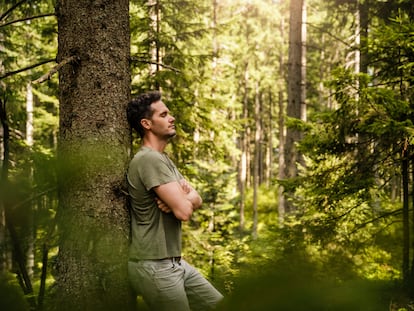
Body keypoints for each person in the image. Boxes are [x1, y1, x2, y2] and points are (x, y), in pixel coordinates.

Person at [126, 91, 223, 311]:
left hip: (173, 263)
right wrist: (180, 200)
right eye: (164, 114)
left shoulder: (162, 159)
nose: (172, 118)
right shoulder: (149, 160)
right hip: (154, 266)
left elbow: (195, 198)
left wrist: (183, 197)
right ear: (146, 123)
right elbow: (184, 212)